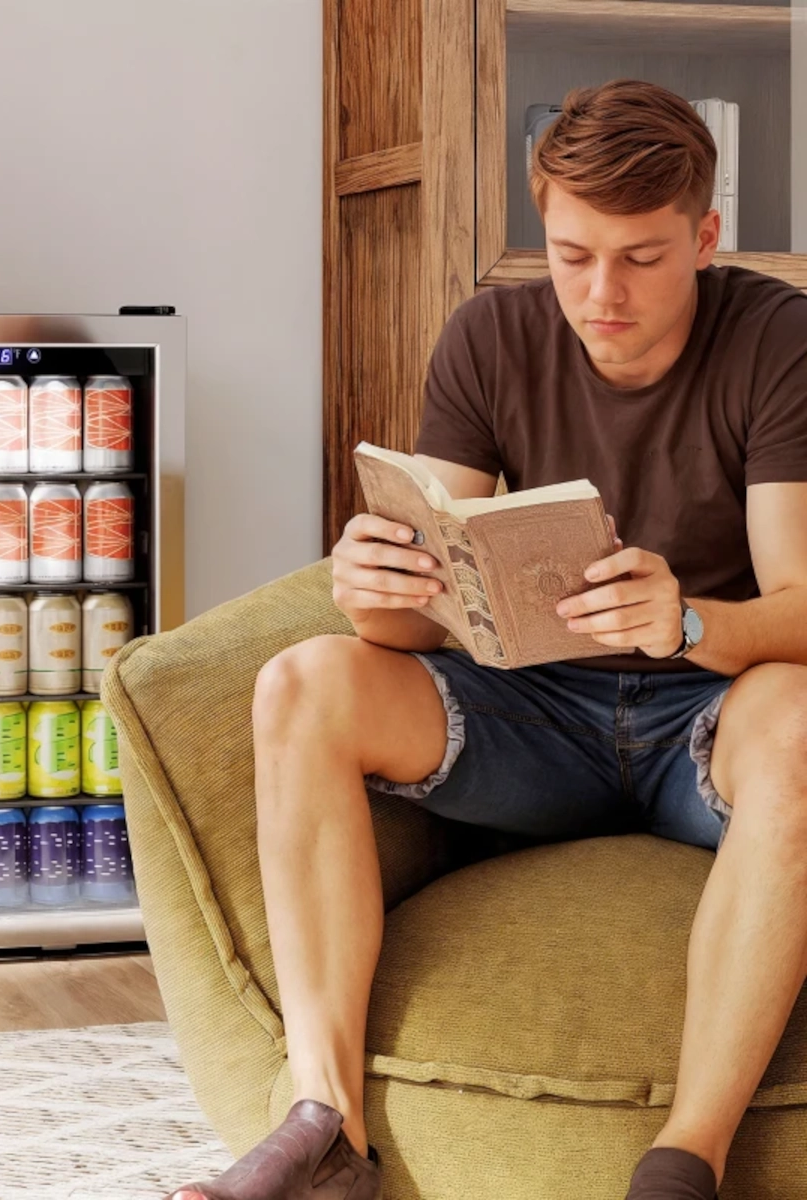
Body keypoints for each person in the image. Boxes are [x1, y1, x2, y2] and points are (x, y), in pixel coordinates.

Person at [164, 79, 807, 1200]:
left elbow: (801, 602)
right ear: (540, 231)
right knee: (303, 681)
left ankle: (685, 1158)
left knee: (803, 725)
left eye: (643, 259)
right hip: (537, 717)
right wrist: (375, 592)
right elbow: (417, 608)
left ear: (705, 237)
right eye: (570, 254)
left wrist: (694, 620)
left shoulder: (778, 338)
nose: (601, 293)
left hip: (707, 714)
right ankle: (328, 1130)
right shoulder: (491, 335)